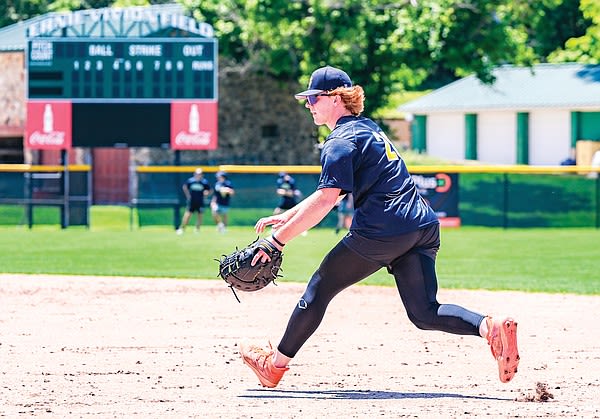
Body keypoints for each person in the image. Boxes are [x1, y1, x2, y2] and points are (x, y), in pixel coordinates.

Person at [238, 65, 520, 388]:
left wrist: (275, 242)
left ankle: (273, 367)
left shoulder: (338, 141)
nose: (308, 105)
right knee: (424, 312)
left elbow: (328, 200)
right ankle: (489, 327)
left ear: (334, 99)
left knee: (320, 287)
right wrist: (287, 217)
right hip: (421, 226)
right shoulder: (367, 129)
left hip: (382, 230)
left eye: (314, 98)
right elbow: (326, 193)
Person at [176, 168, 211, 235]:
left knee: (200, 216)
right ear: (194, 174)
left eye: (200, 174)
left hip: (200, 201)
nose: (198, 175)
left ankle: (197, 229)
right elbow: (185, 187)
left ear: (202, 175)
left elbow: (209, 190)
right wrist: (188, 195)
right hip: (192, 201)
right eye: (197, 174)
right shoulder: (190, 181)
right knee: (187, 215)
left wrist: (207, 193)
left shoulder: (204, 182)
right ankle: (182, 228)